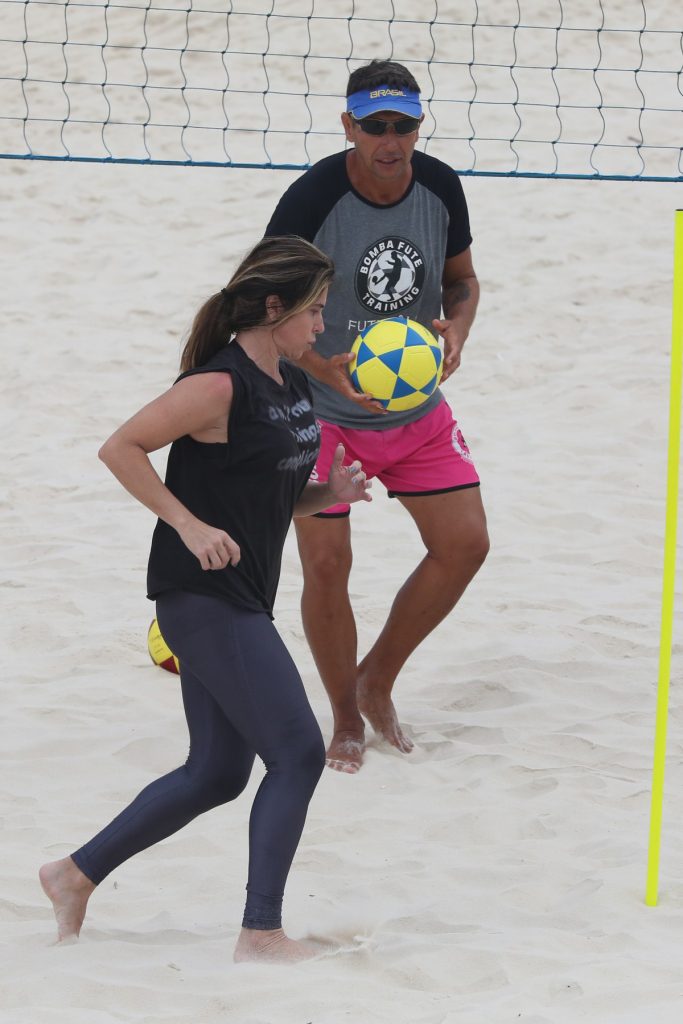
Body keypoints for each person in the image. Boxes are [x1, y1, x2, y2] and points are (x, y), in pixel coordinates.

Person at [38, 235, 371, 964]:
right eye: (314, 311)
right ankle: (260, 933)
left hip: (244, 593)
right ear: (273, 307)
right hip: (201, 598)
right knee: (297, 753)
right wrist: (185, 524)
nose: (322, 326)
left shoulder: (288, 385)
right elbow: (120, 447)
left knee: (217, 772)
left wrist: (327, 494)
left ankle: (73, 874)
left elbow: (266, 491)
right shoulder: (216, 386)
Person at [265, 60, 490, 774]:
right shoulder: (312, 198)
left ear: (419, 125)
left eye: (403, 125)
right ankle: (341, 710)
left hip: (414, 407)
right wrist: (319, 365)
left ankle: (376, 679)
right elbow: (263, 310)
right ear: (348, 126)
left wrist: (456, 329)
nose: (390, 140)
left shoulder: (441, 185)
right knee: (327, 566)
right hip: (322, 410)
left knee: (465, 546)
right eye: (375, 126)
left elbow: (461, 282)